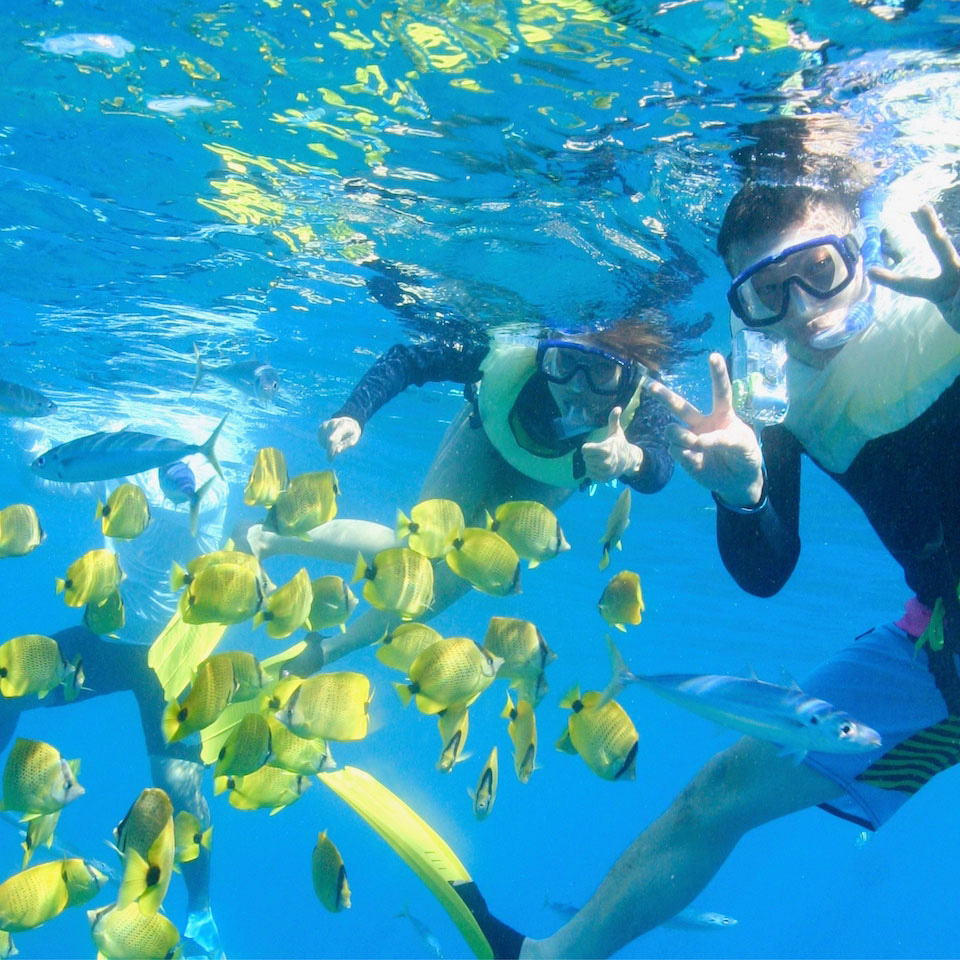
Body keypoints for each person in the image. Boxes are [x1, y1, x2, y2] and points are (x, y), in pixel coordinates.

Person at [452, 155, 960, 958]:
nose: (800, 314)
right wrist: (743, 491)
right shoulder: (778, 399)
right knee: (718, 792)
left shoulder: (942, 295)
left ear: (860, 249)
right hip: (937, 637)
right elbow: (766, 571)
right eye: (766, 293)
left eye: (820, 272)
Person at [249, 321, 674, 672]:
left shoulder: (643, 400)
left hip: (546, 480)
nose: (575, 387)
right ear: (547, 351)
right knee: (416, 554)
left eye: (599, 373)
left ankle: (326, 652)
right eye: (564, 363)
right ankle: (267, 539)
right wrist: (355, 412)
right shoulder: (516, 357)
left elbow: (660, 467)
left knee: (451, 580)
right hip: (486, 438)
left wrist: (632, 458)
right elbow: (411, 359)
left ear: (628, 373)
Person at [1, 433, 229, 960]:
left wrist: (183, 475)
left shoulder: (211, 466)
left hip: (173, 657)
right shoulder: (123, 463)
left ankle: (201, 914)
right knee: (6, 683)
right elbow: (56, 478)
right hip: (107, 640)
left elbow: (202, 492)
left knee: (177, 786)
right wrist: (29, 443)